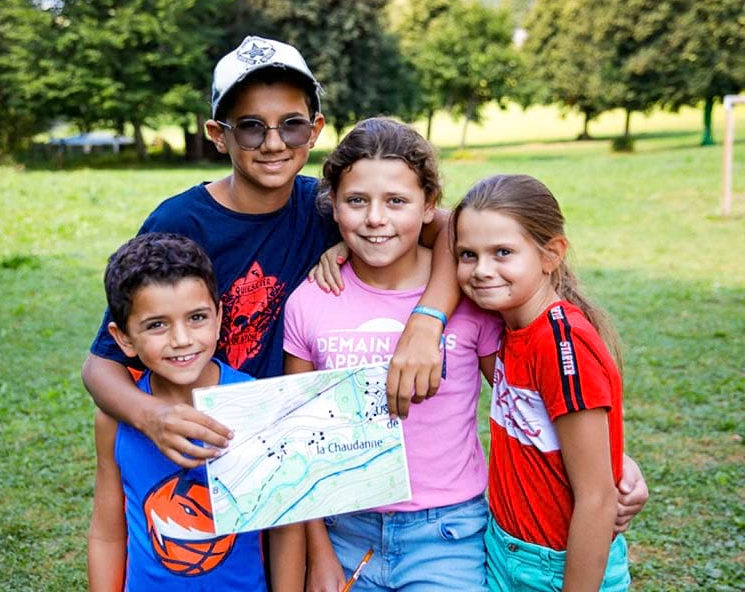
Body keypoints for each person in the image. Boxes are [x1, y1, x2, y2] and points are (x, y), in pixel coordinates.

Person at [81, 35, 454, 474]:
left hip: (298, 448)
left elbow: (456, 232)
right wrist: (152, 416)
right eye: (251, 126)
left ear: (315, 130)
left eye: (291, 124)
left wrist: (428, 320)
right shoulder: (180, 223)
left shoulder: (334, 207)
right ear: (218, 136)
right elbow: (100, 365)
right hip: (209, 445)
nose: (274, 143)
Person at [283, 117, 503, 591]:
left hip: (448, 534)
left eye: (397, 201)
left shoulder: (467, 296)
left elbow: (519, 405)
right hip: (344, 533)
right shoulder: (310, 301)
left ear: (429, 208)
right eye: (356, 200)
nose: (375, 218)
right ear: (335, 208)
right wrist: (318, 554)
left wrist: (606, 463)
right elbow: (298, 441)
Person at [452, 174, 632, 591]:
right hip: (503, 549)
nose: (482, 270)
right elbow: (423, 221)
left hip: (556, 566)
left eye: (502, 252)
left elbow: (598, 498)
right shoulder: (509, 326)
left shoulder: (560, 344)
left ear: (550, 254)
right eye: (467, 254)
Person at [87, 232, 278, 590]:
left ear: (220, 317)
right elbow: (107, 534)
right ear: (123, 337)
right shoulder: (115, 418)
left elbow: (285, 523)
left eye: (197, 318)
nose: (181, 339)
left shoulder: (257, 401)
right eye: (157, 324)